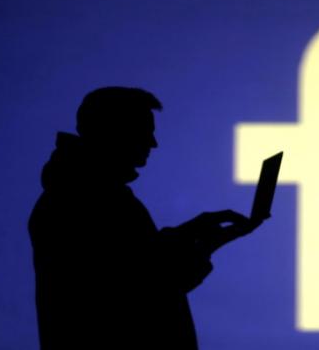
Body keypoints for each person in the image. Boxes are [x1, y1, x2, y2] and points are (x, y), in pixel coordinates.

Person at [28, 87, 263, 349]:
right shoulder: (83, 201)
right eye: (144, 131)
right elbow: (136, 292)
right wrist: (204, 245)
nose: (153, 143)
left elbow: (136, 264)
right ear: (115, 131)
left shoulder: (90, 195)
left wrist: (190, 234)